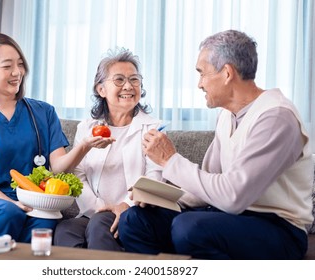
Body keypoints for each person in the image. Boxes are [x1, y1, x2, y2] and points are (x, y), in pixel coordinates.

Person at [118, 30, 314, 259]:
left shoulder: (276, 118)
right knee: (134, 221)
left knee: (189, 228)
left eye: (202, 74)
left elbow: (232, 197)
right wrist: (159, 198)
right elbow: (208, 185)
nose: (199, 84)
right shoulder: (227, 116)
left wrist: (170, 160)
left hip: (279, 228)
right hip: (227, 216)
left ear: (227, 73)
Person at [0, 32, 111, 243]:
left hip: (35, 200)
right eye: (7, 66)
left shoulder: (43, 113)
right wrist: (11, 203)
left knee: (44, 225)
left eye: (20, 64)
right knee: (7, 213)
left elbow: (59, 168)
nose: (17, 72)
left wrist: (85, 146)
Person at [54, 48, 163, 251]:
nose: (129, 86)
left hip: (132, 213)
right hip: (94, 211)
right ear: (101, 89)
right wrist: (98, 208)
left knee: (99, 226)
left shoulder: (153, 128)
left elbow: (154, 177)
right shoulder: (87, 128)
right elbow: (78, 175)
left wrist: (124, 206)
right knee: (65, 230)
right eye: (119, 80)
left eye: (134, 79)